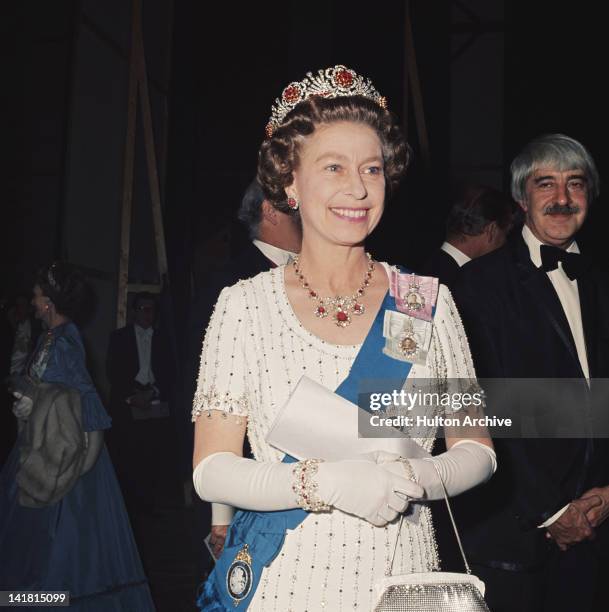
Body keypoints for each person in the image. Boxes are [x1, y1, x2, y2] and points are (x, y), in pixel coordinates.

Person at [191, 65, 497, 611]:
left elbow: (476, 450)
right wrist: (323, 484)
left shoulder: (422, 302)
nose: (357, 188)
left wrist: (414, 476)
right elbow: (211, 469)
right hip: (284, 587)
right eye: (333, 167)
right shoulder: (243, 308)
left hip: (403, 587)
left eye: (372, 169)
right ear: (289, 181)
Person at [452, 134, 609, 612]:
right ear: (522, 198)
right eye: (546, 184)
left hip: (598, 529)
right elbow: (478, 411)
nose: (562, 198)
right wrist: (553, 511)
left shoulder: (600, 281)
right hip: (513, 540)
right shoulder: (476, 285)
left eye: (575, 184)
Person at [0, 262, 154, 610]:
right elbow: (43, 386)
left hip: (65, 459)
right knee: (32, 549)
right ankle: (32, 600)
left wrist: (82, 466)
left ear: (49, 302)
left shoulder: (66, 341)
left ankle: (49, 601)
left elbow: (86, 404)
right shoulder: (48, 338)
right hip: (39, 448)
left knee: (62, 552)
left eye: (38, 297)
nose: (35, 302)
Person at [106, 291, 174, 519]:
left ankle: (151, 507)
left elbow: (170, 373)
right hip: (129, 405)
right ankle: (128, 509)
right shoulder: (119, 337)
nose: (148, 314)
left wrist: (153, 391)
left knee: (153, 459)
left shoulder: (163, 338)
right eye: (143, 309)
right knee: (129, 459)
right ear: (134, 312)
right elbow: (112, 372)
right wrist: (131, 396)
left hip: (155, 406)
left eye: (151, 310)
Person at [421, 183, 515, 290]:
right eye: (505, 234)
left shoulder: (427, 268)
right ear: (492, 230)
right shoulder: (461, 283)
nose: (504, 243)